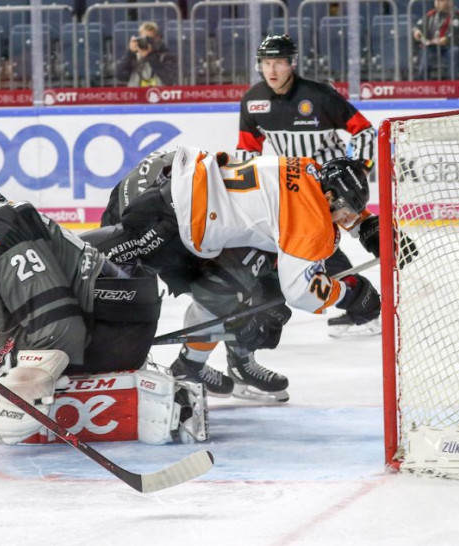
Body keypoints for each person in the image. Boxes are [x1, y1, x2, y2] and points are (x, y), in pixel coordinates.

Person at [0, 157, 206, 445]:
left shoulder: (1, 238)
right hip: (103, 319)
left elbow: (54, 315)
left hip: (112, 327)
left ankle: (168, 400)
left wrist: (32, 378)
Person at [87, 148, 382, 402]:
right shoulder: (310, 220)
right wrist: (351, 294)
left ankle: (230, 363)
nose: (347, 219)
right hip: (162, 212)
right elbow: (301, 293)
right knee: (226, 295)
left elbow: (331, 204)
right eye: (348, 212)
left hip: (170, 176)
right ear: (330, 196)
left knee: (256, 292)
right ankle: (189, 364)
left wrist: (365, 226)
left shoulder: (307, 168)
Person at [236, 34, 384, 338]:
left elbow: (365, 133)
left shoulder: (319, 96)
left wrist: (356, 173)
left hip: (331, 189)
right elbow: (247, 151)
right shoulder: (253, 101)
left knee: (345, 239)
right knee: (306, 247)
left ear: (292, 64)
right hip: (291, 191)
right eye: (266, 63)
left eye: (278, 62)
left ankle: (365, 308)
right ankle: (362, 306)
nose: (272, 70)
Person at [412, 0, 459, 79]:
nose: (437, 3)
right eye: (436, 0)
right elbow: (417, 27)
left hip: (451, 47)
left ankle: (453, 83)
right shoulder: (430, 15)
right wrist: (416, 32)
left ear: (450, 2)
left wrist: (447, 40)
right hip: (433, 47)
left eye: (441, 1)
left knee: (454, 52)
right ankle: (422, 83)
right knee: (426, 53)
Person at [115, 21, 177, 87]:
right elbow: (120, 76)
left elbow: (169, 79)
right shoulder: (134, 55)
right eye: (144, 39)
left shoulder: (167, 55)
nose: (147, 42)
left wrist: (150, 56)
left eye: (150, 39)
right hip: (137, 94)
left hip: (159, 94)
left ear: (158, 38)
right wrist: (130, 53)